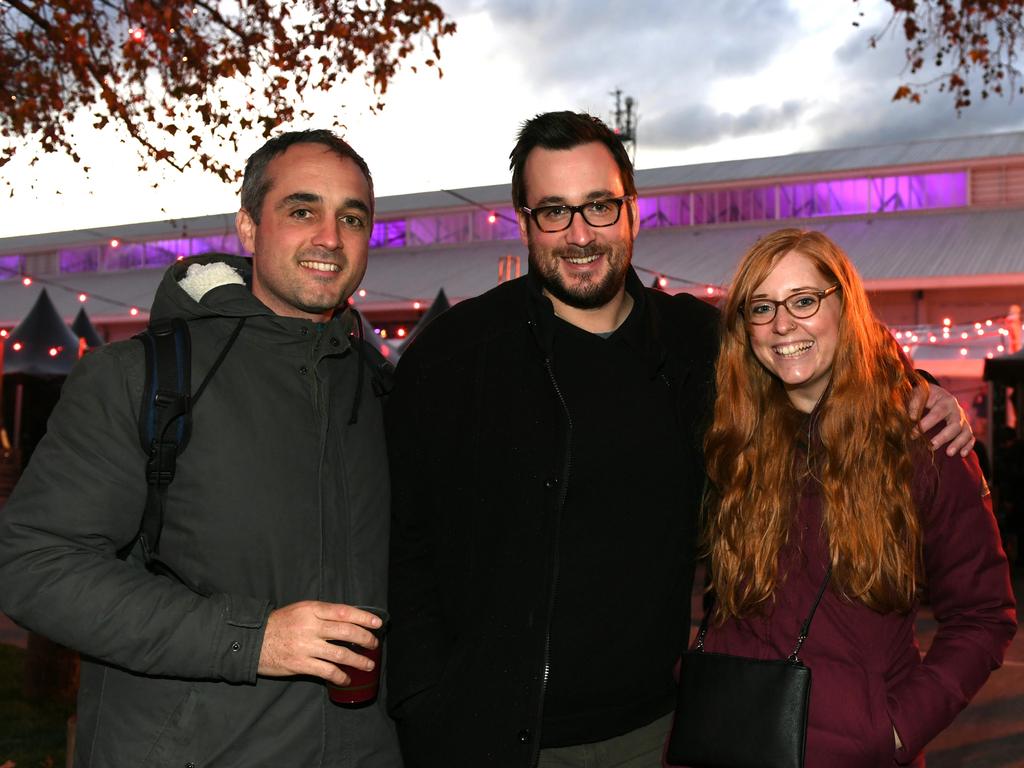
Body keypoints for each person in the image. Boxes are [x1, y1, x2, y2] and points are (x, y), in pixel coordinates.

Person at [384, 112, 975, 768]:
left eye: (600, 206)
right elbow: (407, 549)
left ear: (633, 211)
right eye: (554, 211)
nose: (580, 233)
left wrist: (912, 383)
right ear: (524, 220)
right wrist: (423, 708)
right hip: (489, 737)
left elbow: (812, 354)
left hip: (660, 734)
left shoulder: (701, 345)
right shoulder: (456, 355)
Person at [0, 130, 402, 766]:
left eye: (352, 218)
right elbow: (33, 565)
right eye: (302, 211)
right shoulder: (143, 378)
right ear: (248, 227)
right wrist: (254, 638)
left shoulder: (382, 391)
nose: (330, 237)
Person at [694, 228, 1016, 767]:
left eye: (803, 300)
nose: (782, 325)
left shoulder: (925, 443)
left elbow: (983, 616)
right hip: (727, 742)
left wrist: (893, 730)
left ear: (846, 307)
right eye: (762, 307)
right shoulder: (731, 438)